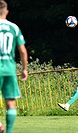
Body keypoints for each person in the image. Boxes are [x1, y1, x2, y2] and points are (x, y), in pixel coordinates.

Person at [0, 0, 28, 133]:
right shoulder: (14, 27)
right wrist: (24, 69)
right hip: (9, 69)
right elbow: (22, 51)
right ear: (6, 12)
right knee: (10, 102)